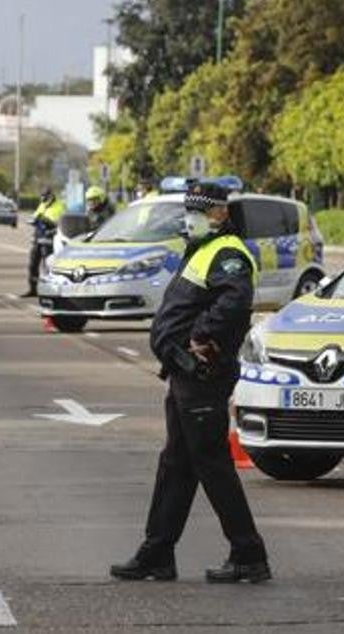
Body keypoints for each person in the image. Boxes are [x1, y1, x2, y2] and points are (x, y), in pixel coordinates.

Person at [111, 180, 270, 584]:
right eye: (189, 210)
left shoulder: (229, 253)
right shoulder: (201, 249)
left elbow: (234, 303)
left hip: (203, 375)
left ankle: (248, 553)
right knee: (176, 465)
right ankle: (157, 552)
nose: (191, 218)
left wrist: (200, 336)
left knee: (212, 463)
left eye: (199, 211)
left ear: (221, 213)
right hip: (184, 374)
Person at [24, 187, 64, 297]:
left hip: (49, 241)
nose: (44, 200)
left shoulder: (59, 206)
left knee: (47, 266)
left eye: (45, 198)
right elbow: (35, 216)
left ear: (51, 197)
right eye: (42, 198)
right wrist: (34, 220)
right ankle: (32, 289)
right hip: (37, 239)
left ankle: (49, 291)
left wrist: (49, 225)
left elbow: (59, 224)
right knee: (32, 265)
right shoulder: (42, 205)